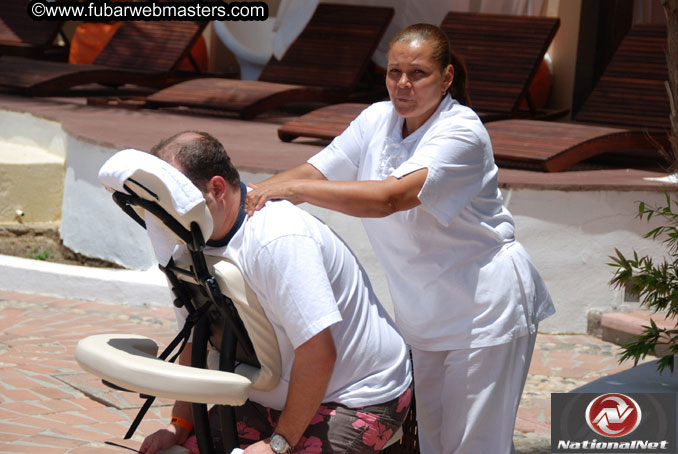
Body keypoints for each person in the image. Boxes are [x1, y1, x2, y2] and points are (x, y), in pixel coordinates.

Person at [245, 23, 555, 454]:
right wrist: (251, 199)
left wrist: (291, 192)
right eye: (394, 72)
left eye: (418, 73)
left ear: (446, 78)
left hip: (484, 311)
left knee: (474, 446)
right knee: (432, 444)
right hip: (424, 314)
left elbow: (391, 198)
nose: (403, 84)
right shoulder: (376, 118)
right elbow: (313, 171)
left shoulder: (461, 132)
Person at [139, 131, 412, 454]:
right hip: (268, 394)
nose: (167, 216)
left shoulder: (278, 238)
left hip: (355, 397)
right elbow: (195, 337)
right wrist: (179, 425)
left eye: (176, 200)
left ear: (216, 188)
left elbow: (319, 352)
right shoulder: (184, 245)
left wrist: (277, 445)